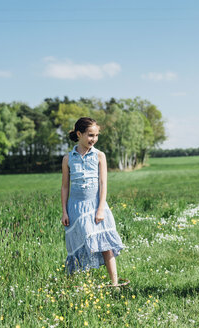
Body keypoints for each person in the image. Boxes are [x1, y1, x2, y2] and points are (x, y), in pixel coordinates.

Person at [61, 117, 124, 285]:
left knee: (105, 245)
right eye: (90, 135)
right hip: (76, 208)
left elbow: (103, 184)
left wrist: (101, 209)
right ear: (79, 134)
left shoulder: (99, 156)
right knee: (79, 245)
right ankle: (76, 285)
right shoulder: (68, 159)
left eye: (96, 135)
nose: (93, 139)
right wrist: (64, 211)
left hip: (96, 205)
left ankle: (115, 284)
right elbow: (65, 187)